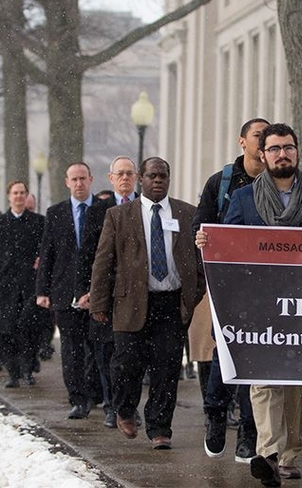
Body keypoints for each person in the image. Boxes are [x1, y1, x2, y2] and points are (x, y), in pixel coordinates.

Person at [197, 123, 302, 487]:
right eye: (275, 148)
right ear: (262, 155)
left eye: (289, 148)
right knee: (262, 380)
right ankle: (268, 453)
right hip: (259, 305)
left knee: (296, 382)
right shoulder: (245, 199)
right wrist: (208, 241)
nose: (282, 154)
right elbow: (229, 242)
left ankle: (290, 451)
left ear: (298, 152)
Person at [89, 157, 205, 450]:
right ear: (141, 178)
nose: (158, 181)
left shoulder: (186, 214)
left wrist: (194, 294)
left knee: (166, 368)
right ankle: (125, 409)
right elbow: (103, 262)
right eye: (152, 176)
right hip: (131, 303)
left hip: (170, 303)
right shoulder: (119, 215)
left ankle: (159, 427)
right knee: (126, 364)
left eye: (163, 176)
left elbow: (200, 259)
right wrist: (99, 302)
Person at [195, 117, 269, 463]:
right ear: (243, 142)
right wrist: (203, 241)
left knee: (254, 360)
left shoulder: (281, 185)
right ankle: (215, 414)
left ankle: (249, 434)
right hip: (230, 285)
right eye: (258, 136)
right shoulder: (222, 183)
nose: (263, 142)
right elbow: (202, 226)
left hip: (268, 288)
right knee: (227, 350)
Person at [77, 156, 139, 428]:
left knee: (132, 356)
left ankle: (129, 406)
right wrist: (86, 290)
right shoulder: (98, 211)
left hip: (137, 295)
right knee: (106, 355)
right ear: (111, 178)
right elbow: (88, 254)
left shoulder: (144, 207)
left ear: (136, 177)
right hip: (107, 293)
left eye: (129, 173)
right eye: (120, 174)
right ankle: (111, 405)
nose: (125, 178)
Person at [35, 162, 99, 419]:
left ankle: (97, 393)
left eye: (83, 178)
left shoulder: (104, 211)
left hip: (96, 291)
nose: (79, 183)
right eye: (74, 179)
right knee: (71, 348)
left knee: (96, 347)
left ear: (91, 180)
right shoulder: (56, 213)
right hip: (65, 291)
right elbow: (47, 253)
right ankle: (77, 398)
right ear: (67, 182)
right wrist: (43, 290)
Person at [0, 181, 45, 388]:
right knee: (3, 331)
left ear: (27, 196)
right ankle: (13, 371)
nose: (19, 197)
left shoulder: (39, 223)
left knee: (29, 328)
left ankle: (27, 369)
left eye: (22, 193)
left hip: (30, 285)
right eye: (15, 193)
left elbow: (46, 249)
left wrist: (41, 261)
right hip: (4, 287)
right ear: (9, 196)